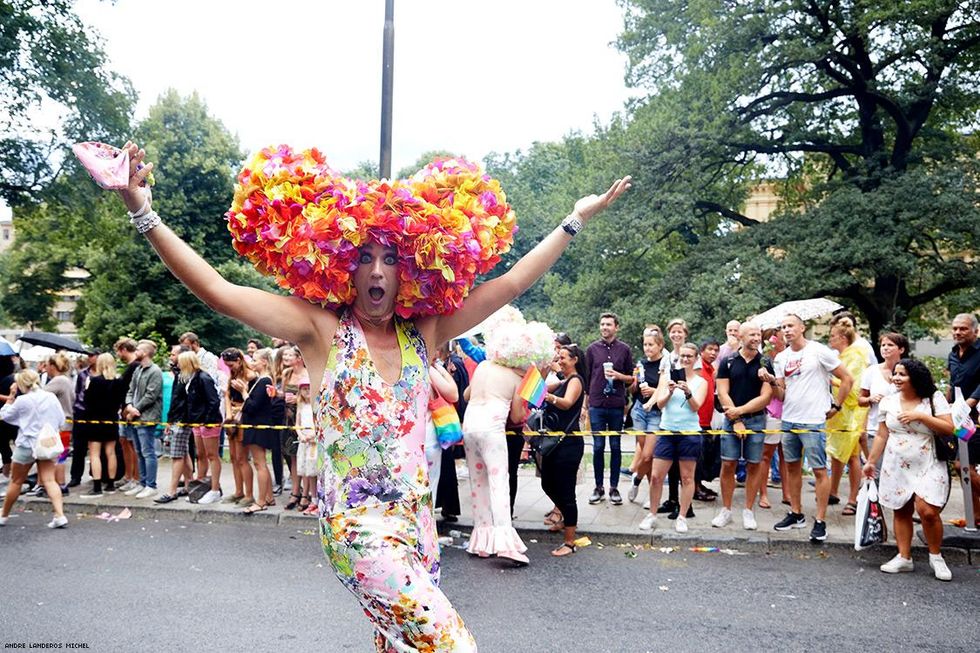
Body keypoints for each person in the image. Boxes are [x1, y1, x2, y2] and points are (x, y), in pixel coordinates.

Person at [109, 141, 628, 650]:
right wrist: (143, 212)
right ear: (341, 265)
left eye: (390, 258)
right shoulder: (321, 330)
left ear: (412, 269)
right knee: (452, 646)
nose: (377, 270)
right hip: (358, 530)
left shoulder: (424, 332)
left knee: (398, 647)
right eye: (363, 257)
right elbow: (219, 291)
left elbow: (512, 282)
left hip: (417, 527)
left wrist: (574, 219)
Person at [864, 358, 955, 581]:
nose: (896, 378)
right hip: (896, 462)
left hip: (929, 461)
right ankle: (904, 557)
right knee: (901, 508)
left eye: (902, 374)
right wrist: (871, 461)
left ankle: (936, 556)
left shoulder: (933, 398)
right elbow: (882, 434)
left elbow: (949, 428)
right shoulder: (888, 402)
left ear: (914, 377)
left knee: (928, 511)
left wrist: (921, 416)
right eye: (895, 374)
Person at [766, 314, 853, 542]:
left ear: (802, 328)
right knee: (792, 468)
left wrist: (836, 405)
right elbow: (782, 395)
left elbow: (847, 379)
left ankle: (821, 520)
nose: (786, 330)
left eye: (790, 325)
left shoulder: (818, 350)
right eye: (783, 326)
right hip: (789, 418)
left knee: (818, 470)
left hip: (813, 419)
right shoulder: (781, 358)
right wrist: (771, 381)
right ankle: (796, 513)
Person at [639, 342, 707, 533]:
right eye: (681, 357)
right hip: (667, 430)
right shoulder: (667, 377)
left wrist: (687, 392)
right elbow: (660, 405)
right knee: (656, 476)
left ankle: (682, 516)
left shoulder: (701, 382)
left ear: (695, 359)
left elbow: (696, 407)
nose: (684, 360)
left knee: (687, 477)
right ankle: (652, 514)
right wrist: (669, 391)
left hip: (689, 433)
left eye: (689, 357)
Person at [713, 322, 773, 530]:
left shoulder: (765, 361)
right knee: (728, 463)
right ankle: (726, 510)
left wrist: (740, 412)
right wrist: (736, 420)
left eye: (759, 334)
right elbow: (722, 392)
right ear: (741, 336)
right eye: (752, 334)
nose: (757, 338)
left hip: (756, 419)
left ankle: (748, 510)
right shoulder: (728, 361)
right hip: (731, 420)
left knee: (753, 464)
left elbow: (766, 396)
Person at [0, 370, 69, 528]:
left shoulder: (22, 400)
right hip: (47, 443)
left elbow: (5, 415)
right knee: (50, 480)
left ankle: (3, 515)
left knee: (16, 481)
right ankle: (59, 514)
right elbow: (61, 420)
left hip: (27, 444)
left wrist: (11, 397)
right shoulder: (50, 397)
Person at [539, 344, 587, 557]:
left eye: (564, 357)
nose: (561, 360)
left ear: (575, 359)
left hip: (568, 443)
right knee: (547, 482)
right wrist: (544, 369)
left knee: (567, 492)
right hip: (554, 442)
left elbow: (567, 403)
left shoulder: (576, 381)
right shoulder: (563, 380)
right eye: (559, 357)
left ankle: (570, 541)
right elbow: (538, 389)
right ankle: (566, 518)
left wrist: (551, 398)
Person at [584, 312, 634, 506]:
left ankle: (614, 487)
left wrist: (619, 376)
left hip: (615, 404)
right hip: (596, 403)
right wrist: (585, 405)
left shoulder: (625, 349)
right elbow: (586, 378)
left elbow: (631, 378)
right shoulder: (591, 349)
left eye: (609, 324)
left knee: (615, 446)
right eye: (602, 324)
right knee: (597, 447)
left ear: (616, 327)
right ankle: (598, 487)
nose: (605, 327)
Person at [825, 319, 868, 515]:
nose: (829, 339)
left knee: (852, 455)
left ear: (842, 338)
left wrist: (829, 379)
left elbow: (852, 385)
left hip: (852, 411)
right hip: (839, 412)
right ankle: (832, 491)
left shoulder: (856, 355)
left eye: (832, 336)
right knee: (836, 452)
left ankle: (853, 498)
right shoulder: (840, 355)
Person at [240, 347, 284, 513]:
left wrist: (243, 392)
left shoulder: (265, 380)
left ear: (264, 362)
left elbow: (252, 406)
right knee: (260, 463)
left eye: (255, 360)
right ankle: (269, 497)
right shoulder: (260, 379)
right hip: (256, 425)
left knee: (260, 463)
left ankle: (260, 502)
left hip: (259, 426)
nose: (252, 362)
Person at [947, 313, 980, 526]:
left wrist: (971, 402)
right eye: (955, 328)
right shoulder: (952, 354)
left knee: (962, 464)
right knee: (966, 464)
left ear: (975, 331)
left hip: (976, 418)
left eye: (963, 329)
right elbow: (953, 383)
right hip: (961, 420)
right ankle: (976, 516)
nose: (958, 332)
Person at [626, 327, 665, 504]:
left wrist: (654, 390)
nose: (647, 348)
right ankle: (650, 492)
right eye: (645, 344)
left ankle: (636, 479)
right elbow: (632, 390)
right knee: (645, 455)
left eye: (651, 345)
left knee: (649, 455)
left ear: (660, 345)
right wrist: (633, 384)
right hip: (639, 410)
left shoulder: (665, 364)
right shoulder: (641, 364)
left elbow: (667, 390)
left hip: (656, 412)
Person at [78, 353, 123, 498]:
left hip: (95, 420)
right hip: (111, 419)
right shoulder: (118, 382)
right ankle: (111, 484)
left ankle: (97, 486)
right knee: (111, 452)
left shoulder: (94, 381)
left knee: (95, 454)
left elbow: (87, 401)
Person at [122, 340, 163, 500]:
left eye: (138, 349)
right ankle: (142, 482)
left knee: (148, 452)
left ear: (145, 352)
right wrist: (130, 406)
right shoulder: (138, 370)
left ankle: (151, 485)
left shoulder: (155, 371)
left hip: (147, 418)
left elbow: (151, 395)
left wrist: (134, 409)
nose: (135, 350)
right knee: (139, 452)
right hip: (135, 416)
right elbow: (130, 390)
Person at [858, 332, 906, 466]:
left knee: (899, 472)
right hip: (875, 429)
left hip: (901, 430)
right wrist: (870, 399)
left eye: (890, 345)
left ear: (901, 349)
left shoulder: (909, 371)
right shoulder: (871, 371)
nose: (885, 348)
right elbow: (860, 400)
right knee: (877, 471)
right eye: (883, 345)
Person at [221, 348, 254, 506]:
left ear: (239, 360)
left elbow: (250, 399)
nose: (229, 367)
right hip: (232, 416)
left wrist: (243, 390)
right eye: (227, 365)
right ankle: (238, 491)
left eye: (231, 364)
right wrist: (228, 415)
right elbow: (227, 395)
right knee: (234, 458)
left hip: (244, 416)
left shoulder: (250, 375)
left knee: (242, 458)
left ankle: (249, 494)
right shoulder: (232, 375)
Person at [694, 338, 720, 502]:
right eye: (709, 349)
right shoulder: (698, 368)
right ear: (701, 351)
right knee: (697, 457)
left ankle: (700, 484)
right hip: (697, 420)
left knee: (704, 457)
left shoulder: (711, 369)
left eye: (716, 350)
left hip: (707, 420)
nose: (713, 353)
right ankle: (695, 489)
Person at [280, 345, 306, 510]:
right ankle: (295, 491)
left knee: (305, 456)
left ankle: (306, 493)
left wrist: (296, 399)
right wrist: (277, 395)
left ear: (299, 358)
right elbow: (285, 394)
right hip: (288, 418)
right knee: (291, 455)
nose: (287, 358)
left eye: (291, 355)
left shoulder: (307, 374)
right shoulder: (286, 373)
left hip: (303, 417)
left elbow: (312, 395)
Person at [114, 338, 141, 491]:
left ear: (124, 349)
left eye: (118, 350)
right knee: (125, 443)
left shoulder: (134, 367)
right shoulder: (131, 367)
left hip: (129, 411)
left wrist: (128, 408)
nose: (118, 354)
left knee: (132, 445)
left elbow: (133, 390)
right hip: (124, 410)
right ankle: (128, 475)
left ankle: (135, 477)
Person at [69, 349, 99, 487]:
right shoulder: (83, 374)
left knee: (96, 447)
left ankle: (96, 474)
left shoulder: (104, 374)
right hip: (81, 412)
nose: (90, 358)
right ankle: (75, 476)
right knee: (79, 446)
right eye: (89, 356)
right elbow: (77, 392)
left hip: (96, 414)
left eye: (93, 356)